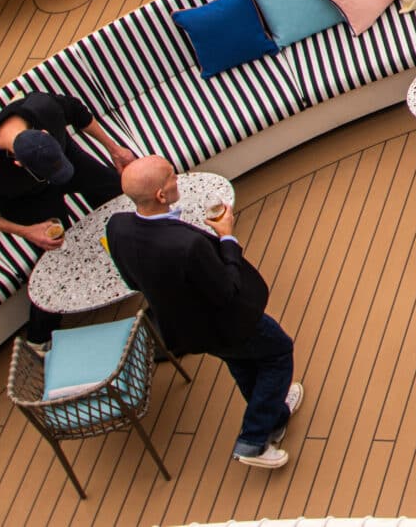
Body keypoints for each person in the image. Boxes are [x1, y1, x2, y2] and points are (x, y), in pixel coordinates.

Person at [105, 157, 303, 470]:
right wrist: (226, 236)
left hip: (188, 329)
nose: (177, 180)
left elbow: (132, 280)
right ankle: (253, 439)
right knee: (278, 352)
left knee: (241, 363)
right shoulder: (187, 245)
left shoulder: (117, 227)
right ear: (160, 194)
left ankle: (274, 416)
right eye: (171, 176)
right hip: (230, 322)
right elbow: (227, 290)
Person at [0, 89, 139, 345]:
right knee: (56, 257)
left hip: (67, 159)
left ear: (44, 133)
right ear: (19, 163)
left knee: (119, 197)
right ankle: (39, 338)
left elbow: (78, 112)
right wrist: (24, 231)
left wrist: (114, 149)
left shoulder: (44, 107)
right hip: (24, 199)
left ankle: (136, 263)